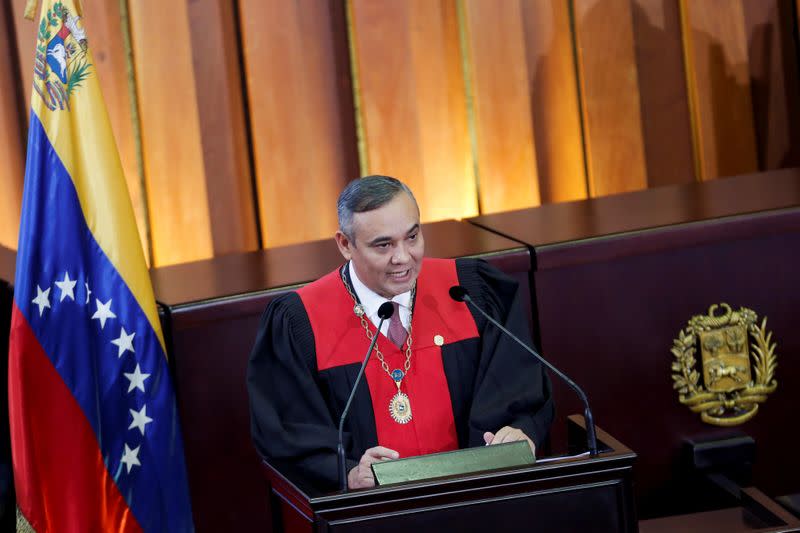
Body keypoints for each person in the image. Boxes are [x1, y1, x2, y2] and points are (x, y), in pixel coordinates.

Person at [247, 175, 553, 491]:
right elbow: (289, 433)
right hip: (371, 516)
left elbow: (518, 388)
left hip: (477, 498)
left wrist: (518, 431)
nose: (403, 257)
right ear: (345, 245)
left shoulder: (468, 290)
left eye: (412, 237)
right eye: (384, 245)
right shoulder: (301, 320)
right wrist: (348, 471)